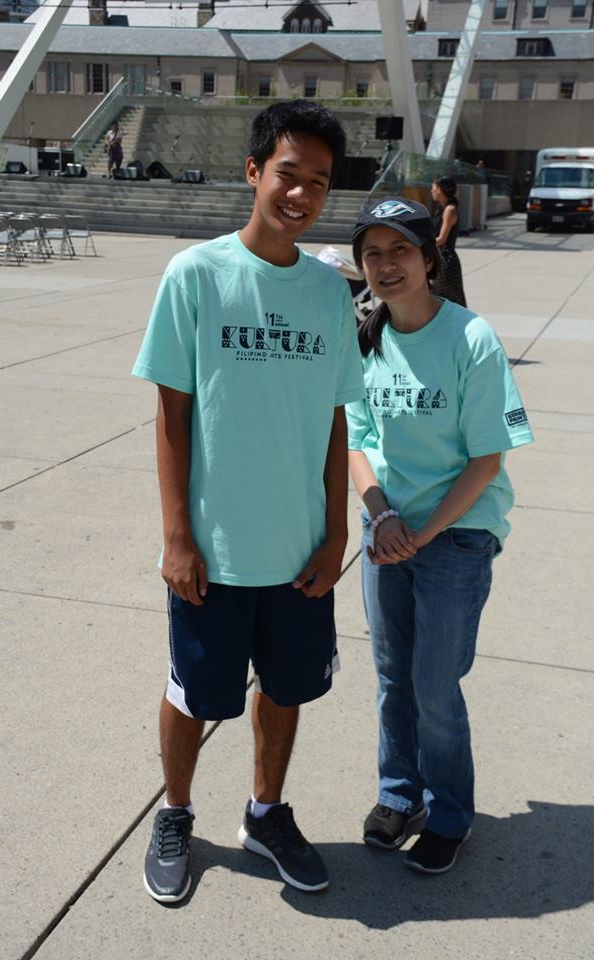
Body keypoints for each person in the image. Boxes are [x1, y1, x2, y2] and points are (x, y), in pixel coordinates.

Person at [132, 100, 365, 904]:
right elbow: (172, 415)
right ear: (254, 171)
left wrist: (335, 532)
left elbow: (335, 421)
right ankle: (175, 813)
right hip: (215, 548)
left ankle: (266, 814)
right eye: (288, 175)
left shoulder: (331, 293)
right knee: (193, 693)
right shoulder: (196, 275)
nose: (301, 194)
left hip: (298, 550)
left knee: (288, 688)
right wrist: (177, 537)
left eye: (319, 182)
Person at [346, 197, 534, 875]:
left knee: (433, 684)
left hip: (454, 536)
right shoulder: (366, 337)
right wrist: (381, 515)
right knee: (392, 676)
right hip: (387, 532)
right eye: (373, 254)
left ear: (430, 258)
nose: (386, 265)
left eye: (401, 250)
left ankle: (449, 813)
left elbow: (487, 461)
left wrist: (421, 533)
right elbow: (355, 441)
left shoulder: (471, 339)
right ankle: (400, 795)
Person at [431, 176, 466, 306]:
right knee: (440, 299)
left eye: (433, 188)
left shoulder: (449, 210)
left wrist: (420, 243)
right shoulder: (442, 208)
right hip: (439, 257)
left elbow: (441, 239)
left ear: (440, 190)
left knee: (449, 298)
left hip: (446, 260)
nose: (432, 191)